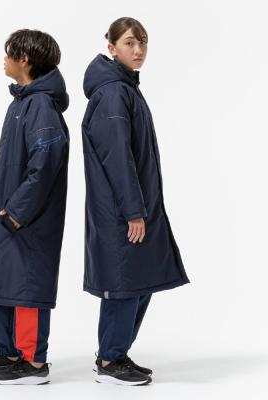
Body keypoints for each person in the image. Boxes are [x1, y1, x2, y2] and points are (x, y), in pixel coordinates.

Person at [81, 17, 190, 385]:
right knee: (124, 282)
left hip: (135, 207)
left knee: (139, 280)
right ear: (111, 48)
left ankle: (116, 354)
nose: (139, 50)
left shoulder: (125, 87)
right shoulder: (114, 92)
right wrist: (132, 211)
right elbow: (117, 157)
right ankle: (110, 362)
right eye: (129, 42)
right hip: (122, 211)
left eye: (143, 42)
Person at [0, 29, 70, 385]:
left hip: (28, 219)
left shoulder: (40, 106)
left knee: (27, 287)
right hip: (9, 215)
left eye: (8, 53)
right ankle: (8, 353)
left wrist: (17, 212)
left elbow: (46, 163)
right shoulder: (21, 104)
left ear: (24, 59)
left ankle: (33, 363)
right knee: (4, 282)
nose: (4, 60)